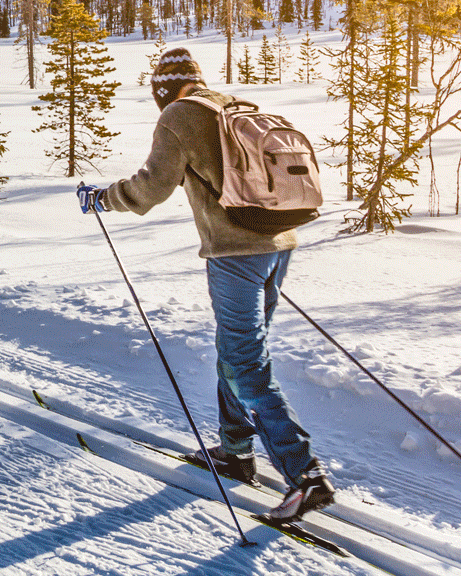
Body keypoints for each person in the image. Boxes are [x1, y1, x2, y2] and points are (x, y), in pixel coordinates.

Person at [79, 47, 333, 524]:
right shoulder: (230, 105)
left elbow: (150, 188)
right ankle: (235, 450)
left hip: (237, 254)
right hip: (278, 245)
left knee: (244, 360)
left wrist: (101, 199)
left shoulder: (179, 115)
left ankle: (305, 475)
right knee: (237, 352)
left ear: (162, 89)